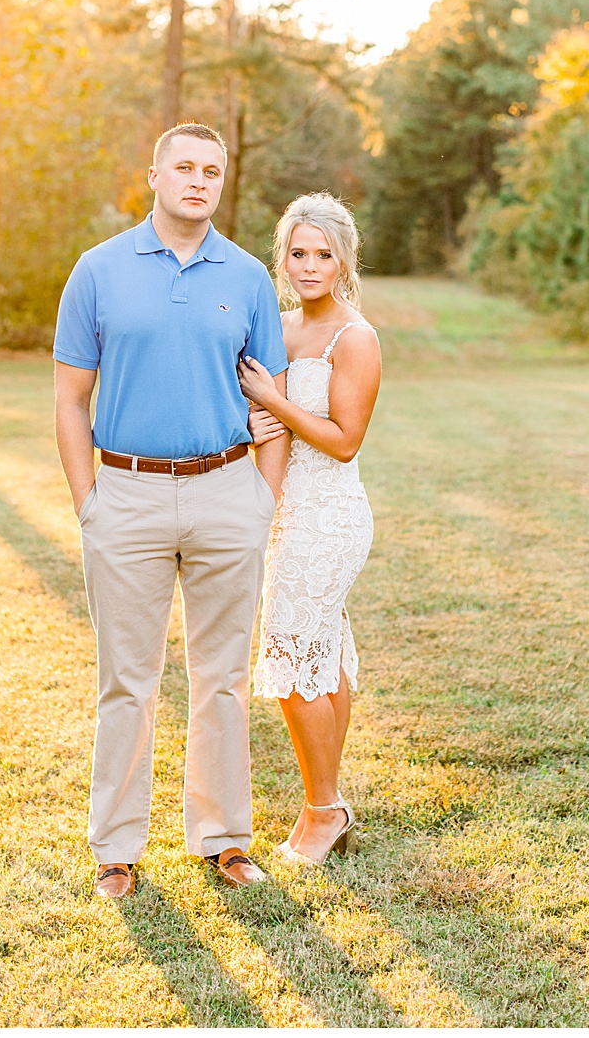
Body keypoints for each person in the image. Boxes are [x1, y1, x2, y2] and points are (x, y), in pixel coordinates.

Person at [53, 122, 291, 899]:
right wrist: (89, 501)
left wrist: (264, 494)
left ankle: (223, 839)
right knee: (128, 678)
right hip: (125, 494)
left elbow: (274, 398)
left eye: (212, 171)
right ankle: (116, 851)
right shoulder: (98, 270)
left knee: (222, 677)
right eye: (183, 167)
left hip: (228, 491)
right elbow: (68, 396)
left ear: (222, 183)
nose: (198, 180)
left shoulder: (250, 275)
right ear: (152, 174)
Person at [238, 193, 381, 866]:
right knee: (317, 654)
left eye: (324, 254)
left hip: (329, 515)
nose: (309, 265)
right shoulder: (280, 326)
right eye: (298, 253)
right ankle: (323, 804)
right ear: (283, 257)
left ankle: (325, 811)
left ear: (344, 259)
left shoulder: (355, 337)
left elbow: (344, 441)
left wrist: (271, 399)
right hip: (282, 510)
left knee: (293, 659)